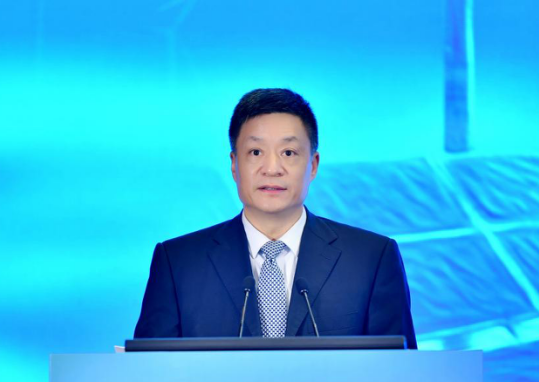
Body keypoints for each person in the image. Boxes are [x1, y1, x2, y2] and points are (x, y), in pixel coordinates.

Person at [134, 88, 417, 348]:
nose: (272, 168)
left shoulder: (371, 259)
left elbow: (402, 375)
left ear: (313, 165)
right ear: (234, 165)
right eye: (256, 152)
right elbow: (148, 375)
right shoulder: (178, 263)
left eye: (289, 152)